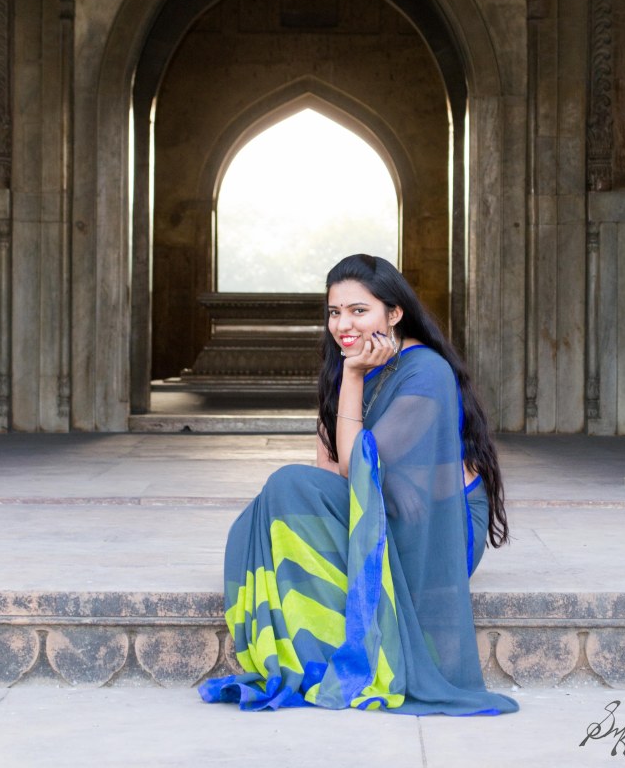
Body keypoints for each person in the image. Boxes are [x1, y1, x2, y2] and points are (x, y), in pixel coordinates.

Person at [199, 254, 519, 715]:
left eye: (358, 310)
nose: (343, 324)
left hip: (437, 531)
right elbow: (329, 471)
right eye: (334, 312)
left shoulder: (425, 372)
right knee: (269, 510)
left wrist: (352, 377)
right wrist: (347, 375)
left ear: (394, 313)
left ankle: (324, 643)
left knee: (286, 486)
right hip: (387, 509)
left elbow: (354, 469)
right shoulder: (346, 364)